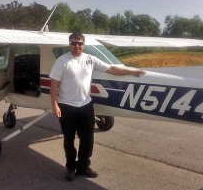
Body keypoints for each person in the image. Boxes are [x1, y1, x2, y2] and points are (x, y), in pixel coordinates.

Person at [50, 32, 145, 181]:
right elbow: (54, 84)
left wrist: (131, 71)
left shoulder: (90, 59)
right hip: (66, 106)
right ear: (69, 44)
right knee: (69, 139)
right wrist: (55, 105)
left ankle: (83, 166)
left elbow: (111, 69)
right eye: (74, 43)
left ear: (84, 45)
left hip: (86, 105)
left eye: (80, 43)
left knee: (87, 139)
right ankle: (70, 167)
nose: (77, 46)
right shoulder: (62, 61)